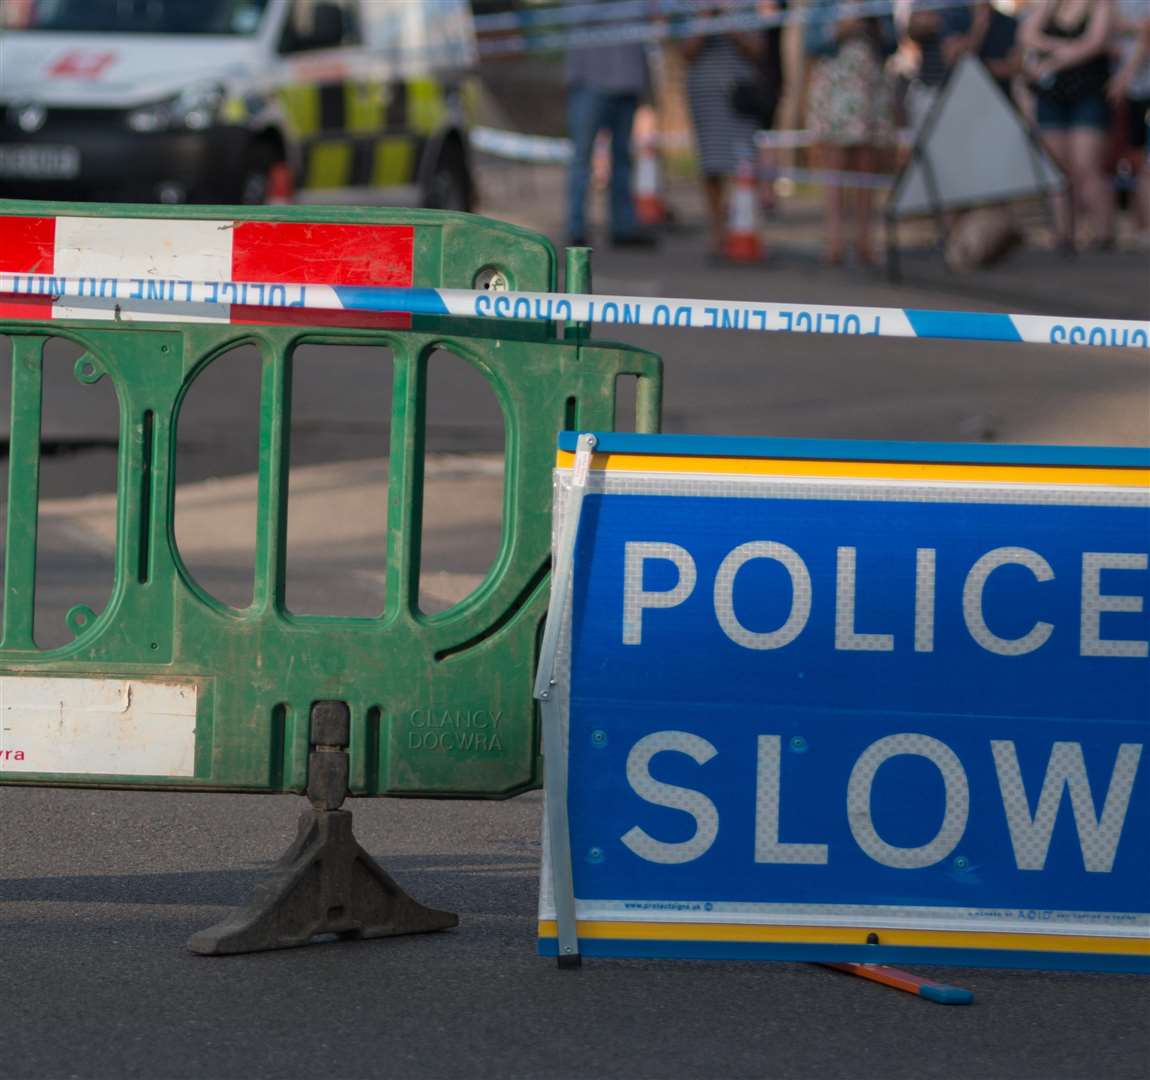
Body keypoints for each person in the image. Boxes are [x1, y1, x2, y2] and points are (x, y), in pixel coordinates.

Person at [1021, 0, 1116, 249]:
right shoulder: (1050, 4)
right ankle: (1064, 234)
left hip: (1088, 92)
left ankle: (1104, 234)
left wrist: (1050, 61)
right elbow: (1026, 35)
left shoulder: (1100, 5)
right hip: (1052, 94)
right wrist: (1063, 47)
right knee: (1058, 170)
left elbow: (1095, 44)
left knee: (1086, 166)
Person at [807, 3, 895, 266]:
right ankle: (834, 239)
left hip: (869, 83)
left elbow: (893, 43)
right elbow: (809, 43)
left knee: (866, 165)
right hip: (836, 83)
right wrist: (838, 32)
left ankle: (864, 240)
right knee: (835, 163)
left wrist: (874, 27)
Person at [681, 4, 764, 257]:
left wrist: (729, 22)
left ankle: (745, 228)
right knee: (711, 165)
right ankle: (717, 231)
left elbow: (758, 49)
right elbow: (686, 51)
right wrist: (705, 19)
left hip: (739, 94)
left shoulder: (746, 7)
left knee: (744, 164)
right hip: (705, 93)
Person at [565, 19, 654, 248]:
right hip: (589, 80)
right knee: (581, 159)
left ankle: (623, 227)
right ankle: (576, 229)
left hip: (627, 81)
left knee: (623, 160)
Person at [1110, 0, 1150, 246]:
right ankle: (1140, 227)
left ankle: (1144, 228)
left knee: (1144, 166)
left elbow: (1146, 33)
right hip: (1134, 91)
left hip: (1140, 87)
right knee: (1136, 162)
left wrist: (1123, 76)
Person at [941, 1, 1021, 101]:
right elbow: (953, 60)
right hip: (962, 96)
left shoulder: (1010, 23)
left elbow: (1015, 67)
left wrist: (979, 68)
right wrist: (979, 26)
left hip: (1001, 98)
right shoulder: (954, 18)